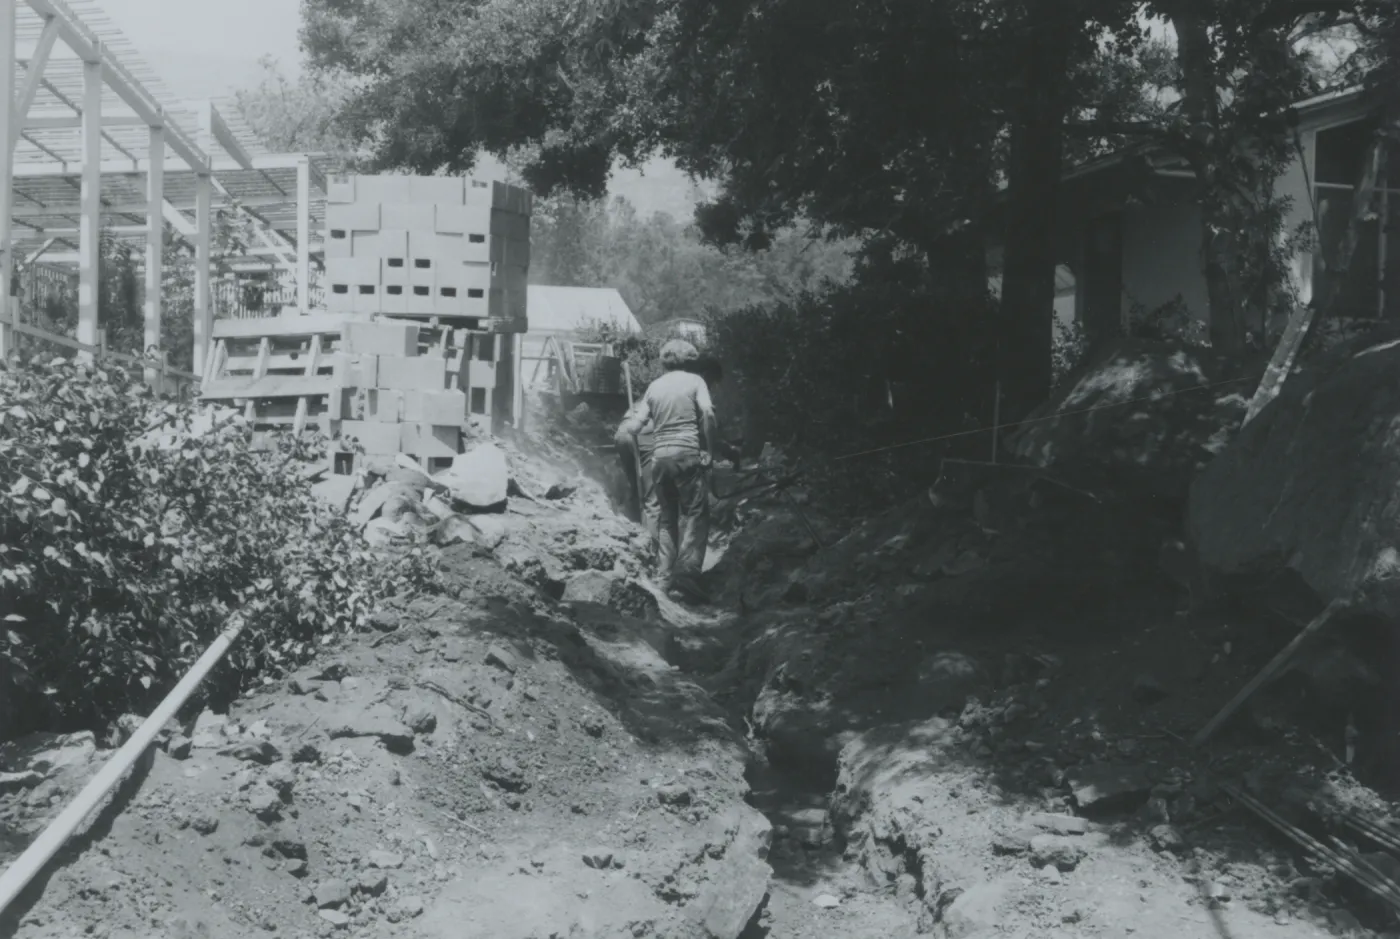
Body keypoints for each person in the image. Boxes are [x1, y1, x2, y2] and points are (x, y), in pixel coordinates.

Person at [618, 340, 732, 601]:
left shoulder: (654, 386)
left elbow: (635, 426)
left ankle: (664, 576)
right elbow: (708, 415)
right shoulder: (695, 381)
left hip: (660, 459)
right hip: (686, 455)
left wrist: (632, 430)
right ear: (690, 360)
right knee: (695, 514)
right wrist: (711, 451)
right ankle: (688, 576)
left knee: (667, 518)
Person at [614, 401, 659, 548]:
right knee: (651, 491)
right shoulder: (664, 398)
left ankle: (632, 521)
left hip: (622, 432)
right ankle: (649, 539)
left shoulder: (644, 398)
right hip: (642, 432)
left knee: (634, 482)